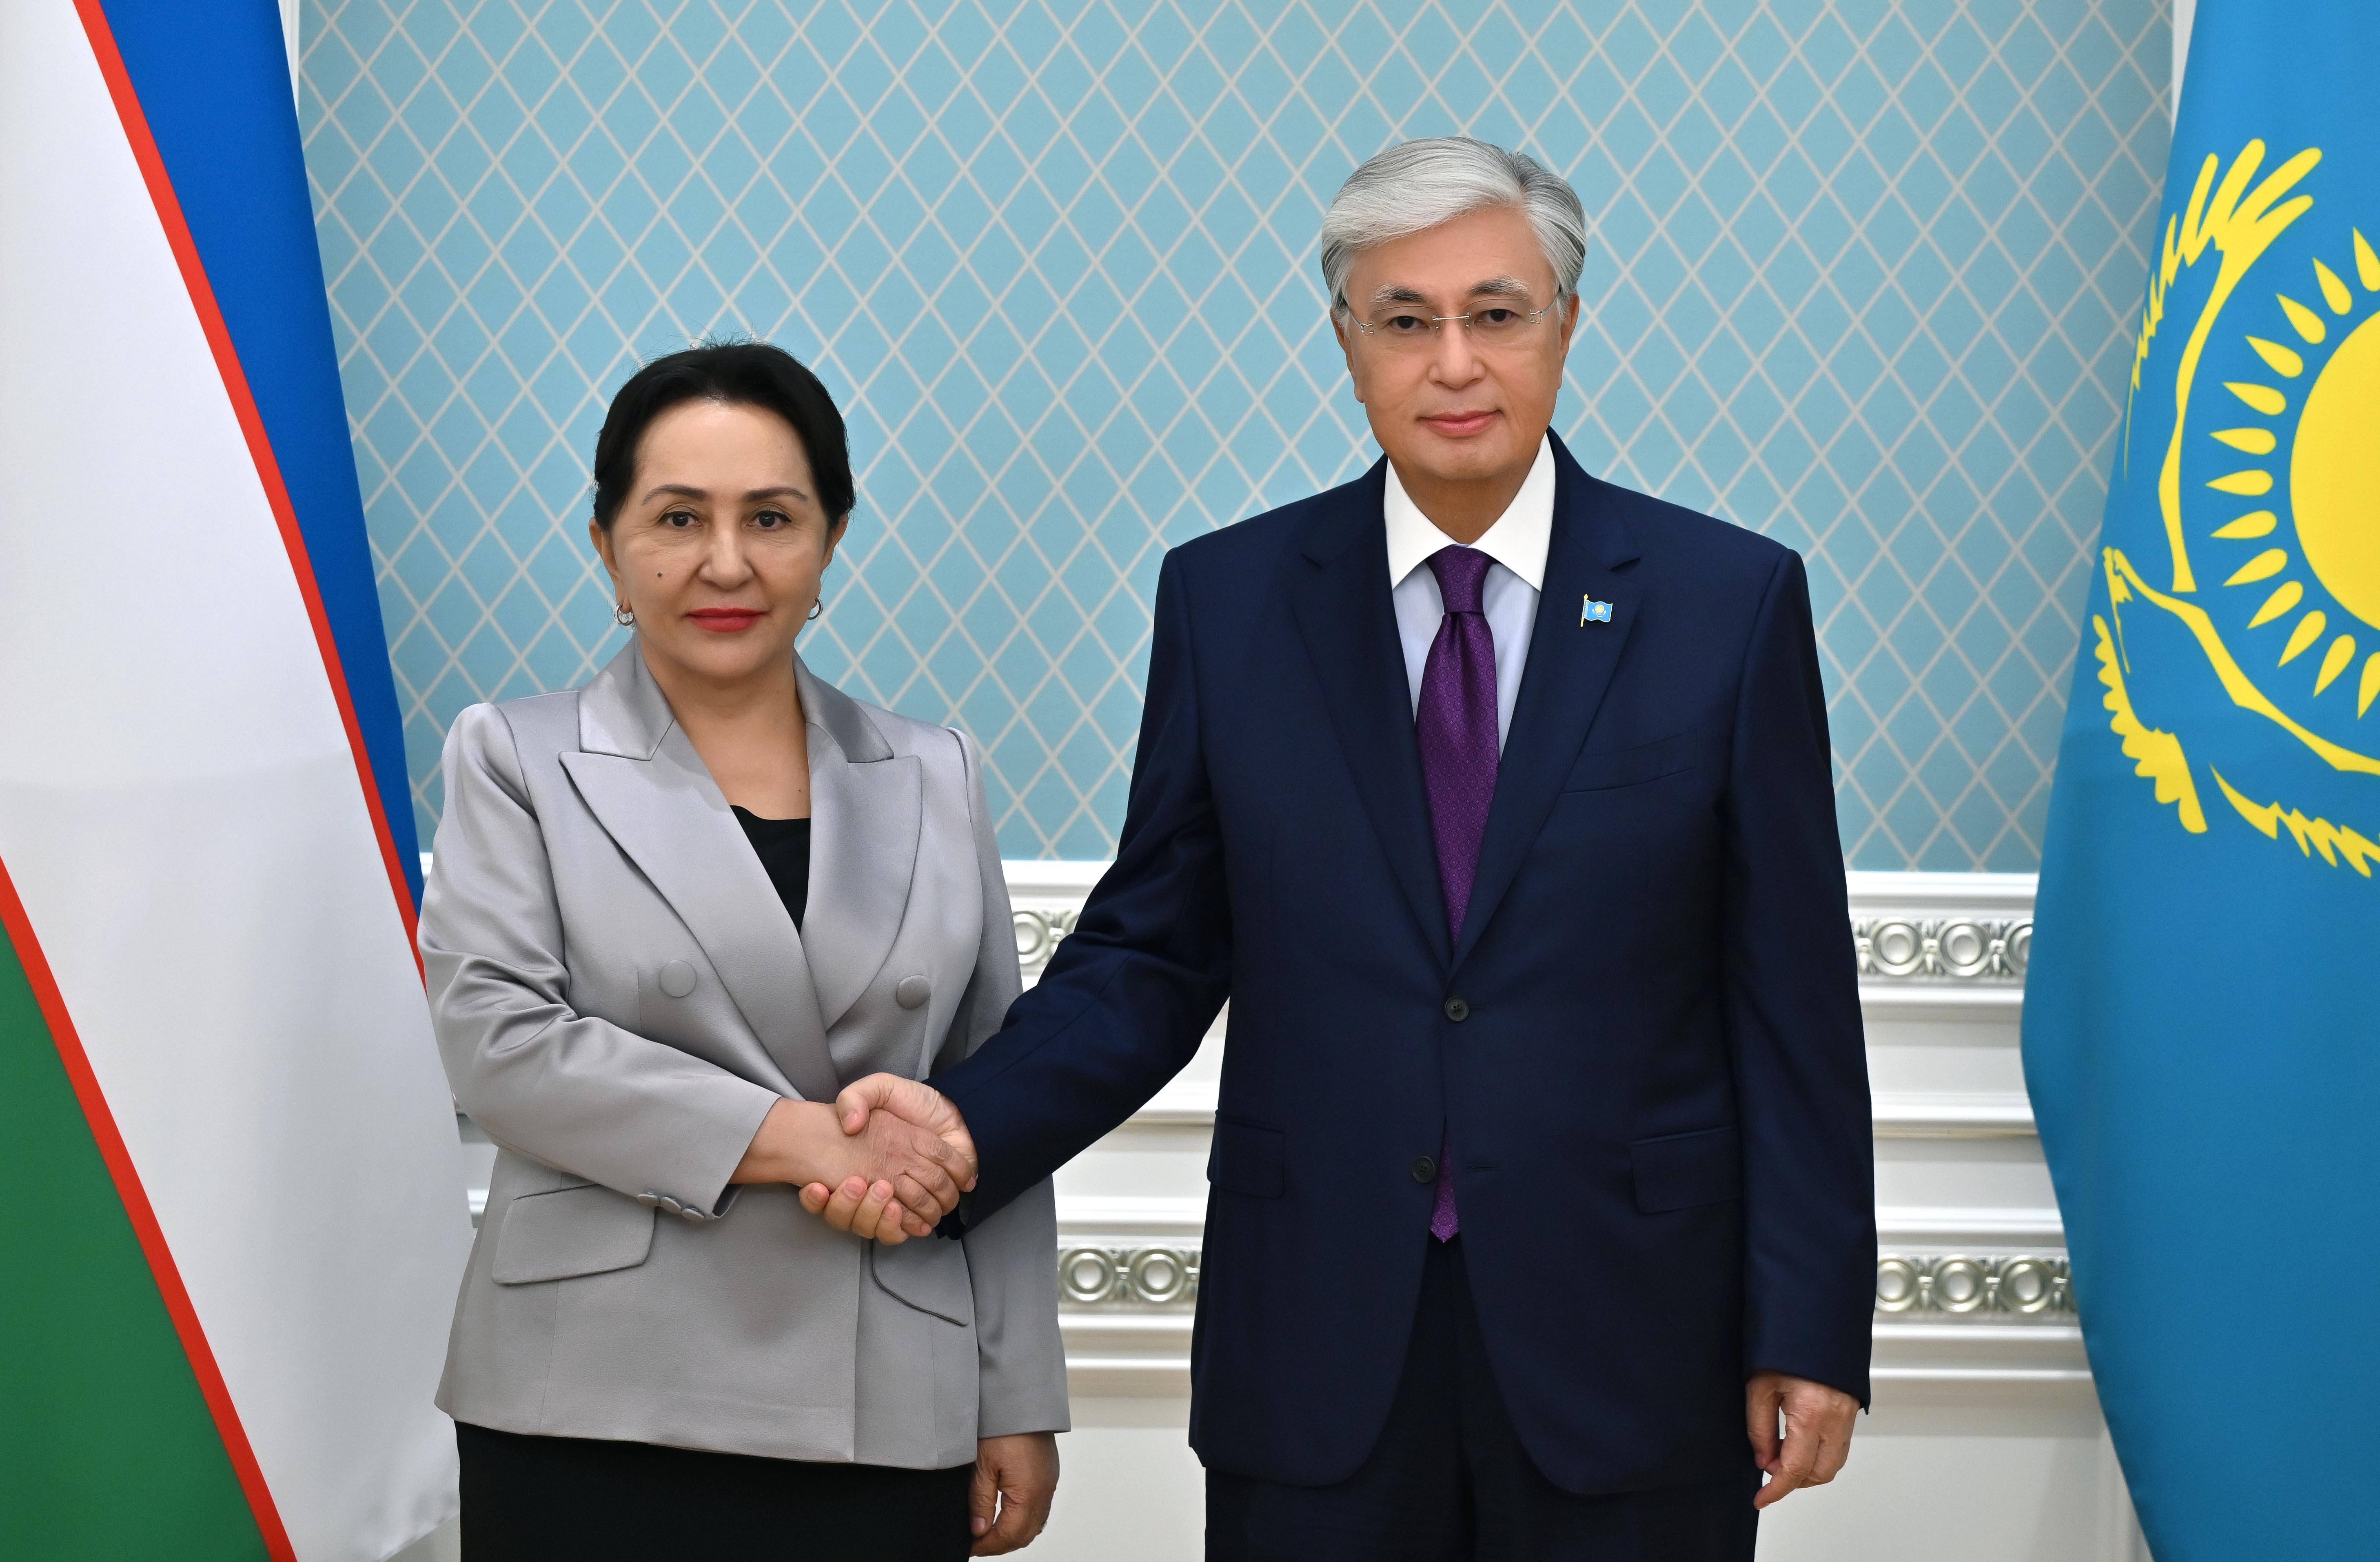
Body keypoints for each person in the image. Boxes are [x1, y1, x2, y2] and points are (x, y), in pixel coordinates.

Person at [822, 139, 1876, 1559]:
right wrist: (968, 1124)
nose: (1454, 362)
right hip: (1316, 1337)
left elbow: (1790, 997)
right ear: (1344, 341)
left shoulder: (1725, 600)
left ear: (1567, 322)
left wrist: (1808, 1320)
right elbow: (1152, 948)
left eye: (1494, 313)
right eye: (1404, 319)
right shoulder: (1230, 599)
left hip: (1633, 1336)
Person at [419, 341, 1065, 1560]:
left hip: (888, 1385)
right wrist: (812, 1139)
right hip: (591, 1393)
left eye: (771, 517)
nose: (726, 563)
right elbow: (501, 1047)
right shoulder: (514, 755)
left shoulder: (938, 772)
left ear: (830, 540)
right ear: (608, 545)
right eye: (678, 518)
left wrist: (1017, 1390)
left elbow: (996, 1097)